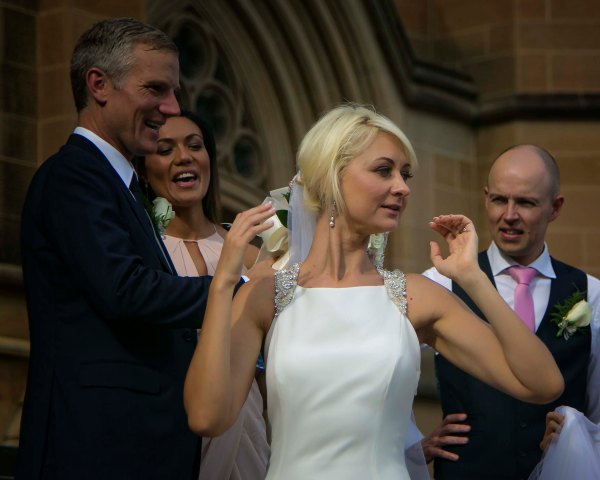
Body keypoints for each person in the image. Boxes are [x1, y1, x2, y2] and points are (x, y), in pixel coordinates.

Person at [182, 104, 564, 480]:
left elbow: (541, 384)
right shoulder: (265, 295)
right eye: (384, 170)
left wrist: (473, 277)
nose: (402, 187)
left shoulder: (415, 296)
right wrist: (222, 286)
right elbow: (206, 418)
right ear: (332, 176)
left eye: (405, 174)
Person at [17, 18, 235, 479]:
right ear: (99, 84)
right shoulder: (74, 176)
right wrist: (237, 289)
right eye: (155, 89)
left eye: (174, 92)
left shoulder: (122, 186)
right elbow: (126, 289)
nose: (171, 107)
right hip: (95, 445)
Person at [423, 144, 600, 480]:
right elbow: (382, 367)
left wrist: (576, 436)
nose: (509, 215)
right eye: (499, 200)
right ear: (485, 198)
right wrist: (411, 445)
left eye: (526, 202)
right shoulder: (441, 282)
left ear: (555, 207)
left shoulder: (591, 293)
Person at [138, 111, 269, 480]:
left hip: (243, 427)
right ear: (144, 169)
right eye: (166, 150)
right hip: (167, 427)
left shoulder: (251, 255)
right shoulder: (144, 255)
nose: (184, 157)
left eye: (195, 146)